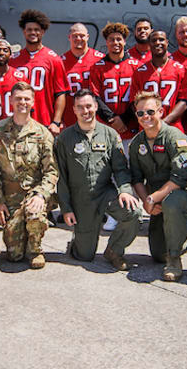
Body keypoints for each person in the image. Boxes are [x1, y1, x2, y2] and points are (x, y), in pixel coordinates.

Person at [54, 90, 140, 269]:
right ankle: (77, 243)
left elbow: (121, 169)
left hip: (105, 194)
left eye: (88, 106)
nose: (85, 111)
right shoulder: (64, 138)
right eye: (80, 107)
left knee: (133, 213)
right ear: (74, 110)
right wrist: (66, 209)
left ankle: (114, 251)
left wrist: (125, 191)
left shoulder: (109, 134)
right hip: (81, 200)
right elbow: (61, 177)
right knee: (84, 256)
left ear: (95, 107)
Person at [0, 82, 58, 268]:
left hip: (34, 193)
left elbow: (51, 171)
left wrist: (42, 194)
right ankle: (21, 238)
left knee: (34, 214)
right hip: (10, 197)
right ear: (10, 101)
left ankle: (35, 249)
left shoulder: (42, 134)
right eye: (18, 98)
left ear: (33, 102)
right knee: (14, 255)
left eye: (27, 99)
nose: (22, 102)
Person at [126, 91, 187, 281]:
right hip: (154, 198)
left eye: (150, 111)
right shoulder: (137, 143)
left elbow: (181, 177)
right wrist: (147, 202)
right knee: (157, 254)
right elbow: (136, 178)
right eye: (140, 114)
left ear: (161, 111)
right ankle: (185, 236)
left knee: (172, 203)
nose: (146, 117)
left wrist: (153, 197)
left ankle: (174, 258)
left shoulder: (174, 137)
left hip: (178, 195)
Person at [9, 9, 68, 135]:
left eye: (36, 30)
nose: (33, 32)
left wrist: (56, 122)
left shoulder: (53, 59)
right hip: (17, 122)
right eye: (29, 29)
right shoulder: (13, 60)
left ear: (43, 32)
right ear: (24, 32)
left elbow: (61, 93)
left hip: (44, 122)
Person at [88, 22, 140, 143]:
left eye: (119, 39)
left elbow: (140, 97)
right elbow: (94, 96)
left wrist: (124, 119)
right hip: (105, 126)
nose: (115, 43)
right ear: (106, 42)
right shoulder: (97, 67)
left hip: (130, 126)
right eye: (111, 39)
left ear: (125, 41)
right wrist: (111, 118)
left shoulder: (136, 66)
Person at [129, 30, 187, 131]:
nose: (158, 43)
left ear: (167, 42)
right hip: (147, 128)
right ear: (149, 44)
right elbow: (134, 102)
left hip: (173, 128)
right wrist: (148, 120)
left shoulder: (180, 70)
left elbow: (184, 101)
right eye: (154, 40)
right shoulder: (139, 72)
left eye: (161, 40)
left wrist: (164, 122)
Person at [60, 23, 104, 128]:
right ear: (69, 37)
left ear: (88, 37)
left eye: (82, 35)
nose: (78, 38)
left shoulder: (100, 60)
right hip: (70, 119)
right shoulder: (60, 61)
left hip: (96, 118)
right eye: (75, 35)